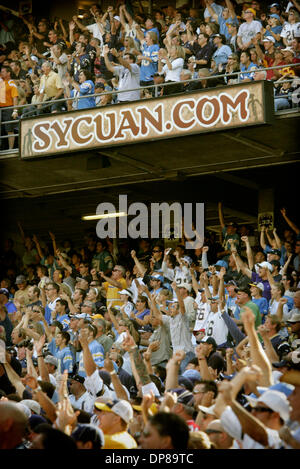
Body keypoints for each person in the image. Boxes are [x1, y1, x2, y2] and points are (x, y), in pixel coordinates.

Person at [0, 65, 19, 150]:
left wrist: (15, 110)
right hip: (0, 109)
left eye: (3, 72)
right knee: (2, 129)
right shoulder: (1, 81)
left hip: (8, 108)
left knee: (9, 130)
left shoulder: (11, 83)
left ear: (8, 73)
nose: (1, 73)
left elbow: (15, 97)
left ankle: (11, 149)